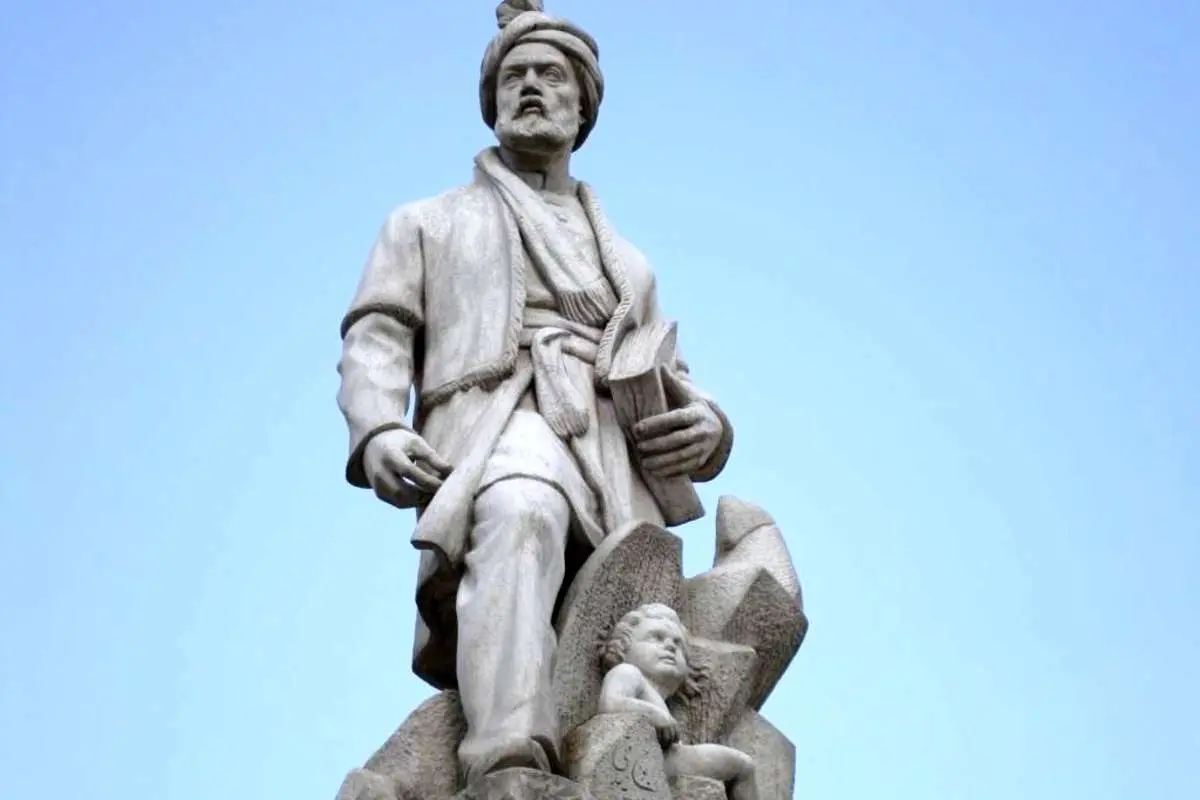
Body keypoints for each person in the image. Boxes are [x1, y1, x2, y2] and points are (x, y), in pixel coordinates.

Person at [336, 0, 733, 783]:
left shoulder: (628, 260)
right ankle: (509, 756)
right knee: (521, 514)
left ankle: (642, 759)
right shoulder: (427, 222)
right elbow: (377, 334)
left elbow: (673, 369)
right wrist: (378, 428)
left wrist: (710, 427)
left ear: (583, 107)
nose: (530, 88)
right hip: (499, 418)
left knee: (632, 618)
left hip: (612, 444)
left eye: (550, 75)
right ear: (491, 104)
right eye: (513, 76)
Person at [599, 604, 759, 800]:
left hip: (665, 759)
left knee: (744, 766)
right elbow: (610, 703)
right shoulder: (627, 672)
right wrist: (654, 716)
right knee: (743, 767)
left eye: (678, 644)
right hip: (651, 759)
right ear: (623, 647)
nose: (670, 646)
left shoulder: (655, 694)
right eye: (656, 637)